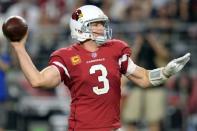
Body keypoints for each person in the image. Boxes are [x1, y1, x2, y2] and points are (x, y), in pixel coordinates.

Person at [8, 5, 190, 131]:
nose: (102, 28)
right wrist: (19, 47)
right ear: (81, 27)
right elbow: (38, 80)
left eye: (102, 24)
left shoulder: (115, 49)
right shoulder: (67, 56)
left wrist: (166, 72)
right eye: (95, 24)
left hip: (112, 127)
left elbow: (143, 78)